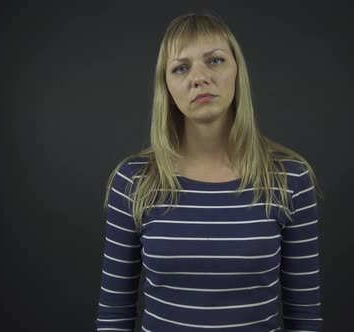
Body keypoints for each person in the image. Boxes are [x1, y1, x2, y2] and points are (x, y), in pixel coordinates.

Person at [95, 10, 325, 332]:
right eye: (181, 68)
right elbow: (113, 316)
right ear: (167, 88)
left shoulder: (289, 178)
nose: (199, 77)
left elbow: (305, 318)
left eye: (215, 60)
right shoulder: (134, 181)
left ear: (237, 72)